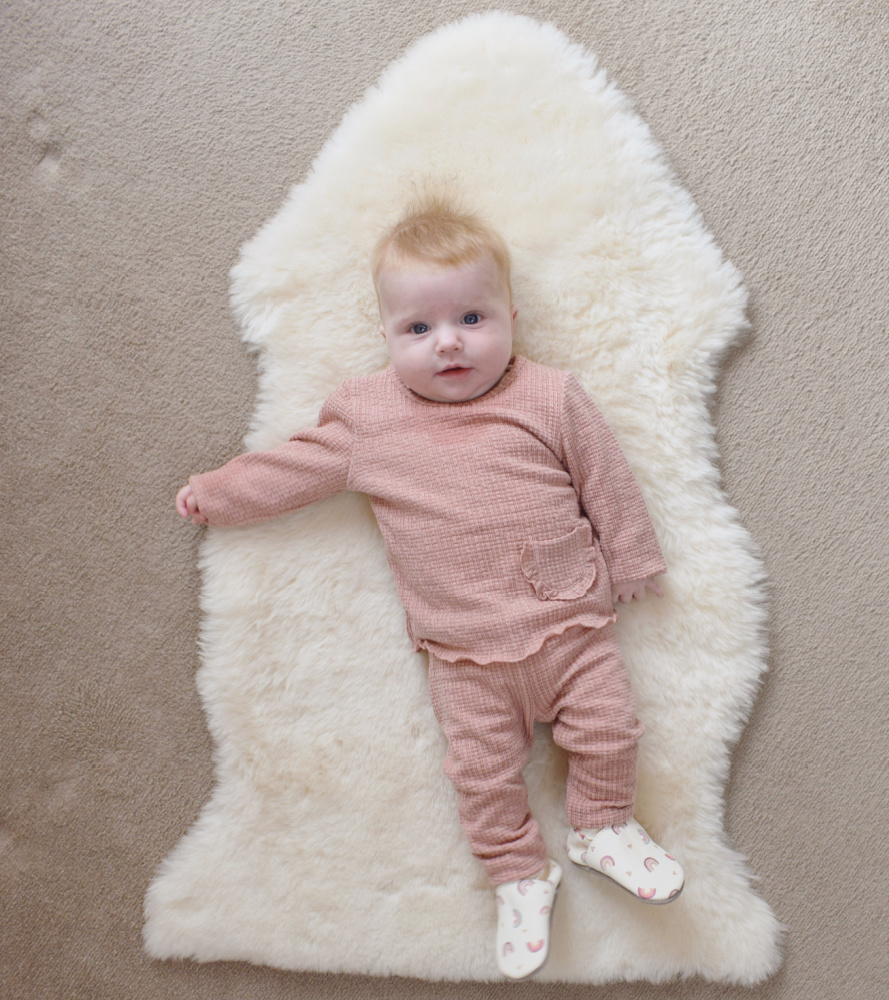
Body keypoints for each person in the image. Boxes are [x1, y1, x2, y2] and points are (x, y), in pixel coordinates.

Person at [175, 196, 684, 980]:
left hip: (571, 624)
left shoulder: (550, 397)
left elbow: (606, 479)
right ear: (386, 336)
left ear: (512, 315)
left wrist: (633, 556)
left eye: (472, 319)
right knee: (479, 776)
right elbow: (293, 469)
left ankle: (601, 825)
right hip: (463, 656)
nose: (448, 343)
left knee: (611, 730)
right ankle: (518, 872)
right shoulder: (371, 417)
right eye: (418, 329)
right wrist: (218, 492)